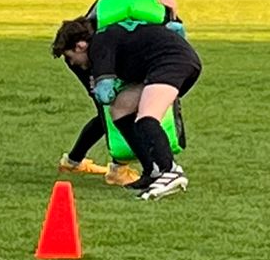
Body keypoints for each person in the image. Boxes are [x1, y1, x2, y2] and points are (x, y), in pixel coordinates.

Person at [59, 0, 186, 183]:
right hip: (91, 57)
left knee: (124, 106)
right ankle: (118, 168)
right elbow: (92, 27)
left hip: (125, 58)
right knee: (109, 108)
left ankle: (73, 161)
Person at [51, 13, 202, 200]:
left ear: (80, 46)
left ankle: (170, 171)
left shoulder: (98, 46)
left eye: (70, 57)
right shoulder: (106, 38)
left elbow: (104, 93)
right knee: (120, 109)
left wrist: (99, 85)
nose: (73, 63)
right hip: (170, 62)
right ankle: (152, 170)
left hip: (171, 63)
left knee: (147, 117)